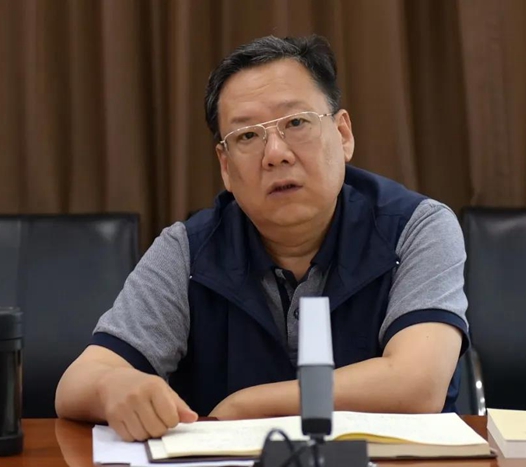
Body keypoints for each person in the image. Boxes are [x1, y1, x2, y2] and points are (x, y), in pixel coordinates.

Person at [55, 35, 468, 442]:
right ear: (225, 166)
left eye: (296, 123)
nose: (276, 154)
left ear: (343, 134)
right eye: (247, 136)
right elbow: (78, 383)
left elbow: (417, 385)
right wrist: (116, 387)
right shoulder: (188, 251)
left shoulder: (416, 227)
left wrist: (244, 406)